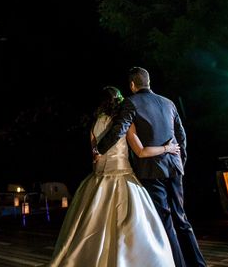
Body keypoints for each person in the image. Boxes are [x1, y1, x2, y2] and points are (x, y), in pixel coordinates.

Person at [48, 86, 178, 266]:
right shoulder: (125, 124)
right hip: (123, 177)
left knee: (91, 226)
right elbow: (140, 152)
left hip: (97, 180)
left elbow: (94, 159)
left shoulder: (94, 125)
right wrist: (167, 148)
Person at [96, 67, 206, 267]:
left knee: (164, 219)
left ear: (131, 85)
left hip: (151, 169)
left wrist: (100, 148)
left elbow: (120, 128)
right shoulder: (168, 102)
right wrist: (181, 162)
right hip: (174, 167)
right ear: (148, 82)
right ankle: (198, 263)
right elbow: (182, 136)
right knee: (181, 218)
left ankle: (178, 264)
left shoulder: (131, 102)